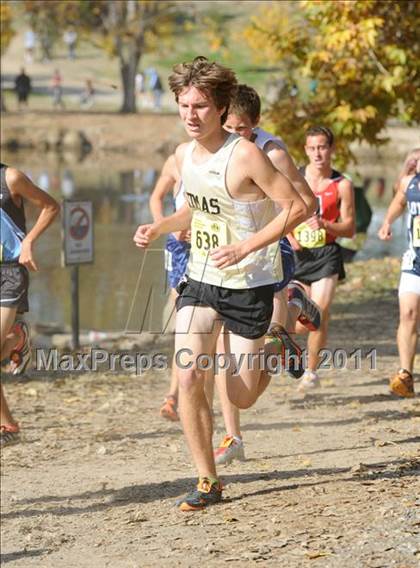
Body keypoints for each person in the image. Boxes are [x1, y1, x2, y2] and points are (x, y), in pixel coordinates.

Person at [134, 56, 308, 510]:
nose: (191, 115)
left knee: (240, 395)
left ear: (221, 107)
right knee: (190, 373)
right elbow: (200, 207)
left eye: (202, 107)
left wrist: (247, 247)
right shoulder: (182, 155)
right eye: (183, 105)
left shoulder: (247, 154)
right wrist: (160, 226)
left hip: (249, 285)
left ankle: (277, 342)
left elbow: (296, 208)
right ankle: (207, 479)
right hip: (201, 280)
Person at [212, 84, 321, 465]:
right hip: (228, 262)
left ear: (256, 124)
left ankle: (288, 315)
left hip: (270, 258)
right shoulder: (217, 149)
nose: (235, 134)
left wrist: (272, 227)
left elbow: (307, 203)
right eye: (229, 126)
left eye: (242, 129)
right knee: (224, 353)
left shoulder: (272, 152)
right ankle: (233, 435)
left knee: (254, 371)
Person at [291, 126, 355, 391]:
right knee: (298, 320)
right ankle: (290, 348)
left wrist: (326, 225)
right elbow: (279, 214)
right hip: (297, 255)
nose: (317, 153)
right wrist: (288, 238)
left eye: (322, 147)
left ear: (331, 149)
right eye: (312, 148)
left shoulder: (342, 185)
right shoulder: (294, 178)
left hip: (327, 254)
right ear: (305, 150)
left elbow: (350, 228)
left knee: (319, 312)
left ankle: (311, 372)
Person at [1, 164, 60, 447]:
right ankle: (9, 425)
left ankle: (18, 336)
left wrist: (29, 242)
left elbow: (50, 206)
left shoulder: (11, 178)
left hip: (10, 272)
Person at [149, 154, 189, 420]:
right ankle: (174, 395)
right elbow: (155, 197)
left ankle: (181, 395)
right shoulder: (177, 159)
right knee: (183, 322)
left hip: (212, 245)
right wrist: (164, 226)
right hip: (179, 248)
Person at [378, 150, 420, 397]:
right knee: (408, 313)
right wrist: (386, 222)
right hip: (414, 260)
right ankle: (406, 375)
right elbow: (398, 200)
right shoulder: (409, 182)